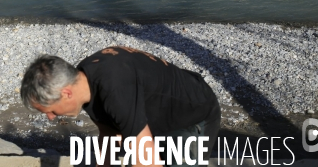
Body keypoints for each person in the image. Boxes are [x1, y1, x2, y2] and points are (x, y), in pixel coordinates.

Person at [21, 47, 220, 167]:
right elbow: (109, 135)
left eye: (50, 110)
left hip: (192, 115)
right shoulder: (85, 82)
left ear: (66, 93)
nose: (50, 117)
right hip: (155, 118)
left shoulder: (114, 88)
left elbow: (149, 163)